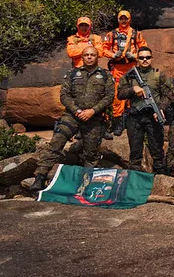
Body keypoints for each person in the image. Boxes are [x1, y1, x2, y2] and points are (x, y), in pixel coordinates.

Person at [31, 47, 114, 191]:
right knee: (56, 143)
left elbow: (109, 97)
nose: (89, 57)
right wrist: (77, 110)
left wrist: (92, 111)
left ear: (97, 57)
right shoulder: (72, 74)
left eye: (92, 55)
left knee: (91, 153)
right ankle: (40, 177)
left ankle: (87, 183)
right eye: (86, 55)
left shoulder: (106, 76)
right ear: (82, 57)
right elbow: (64, 96)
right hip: (71, 117)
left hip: (94, 119)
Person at [116, 47, 174, 174]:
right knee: (135, 151)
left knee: (157, 150)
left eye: (147, 57)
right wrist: (133, 90)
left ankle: (161, 178)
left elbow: (168, 94)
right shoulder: (130, 75)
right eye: (141, 58)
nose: (145, 60)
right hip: (135, 116)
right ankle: (134, 181)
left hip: (153, 116)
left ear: (151, 58)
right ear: (137, 59)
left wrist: (161, 108)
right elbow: (120, 94)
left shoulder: (159, 74)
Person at [103, 10, 148, 136]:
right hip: (118, 68)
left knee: (133, 94)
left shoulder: (136, 34)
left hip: (132, 67)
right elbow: (103, 49)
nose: (123, 21)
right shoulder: (112, 34)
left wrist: (134, 55)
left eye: (126, 18)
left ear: (129, 19)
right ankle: (118, 124)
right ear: (118, 19)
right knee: (117, 96)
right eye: (121, 18)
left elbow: (144, 49)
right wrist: (113, 54)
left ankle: (131, 122)